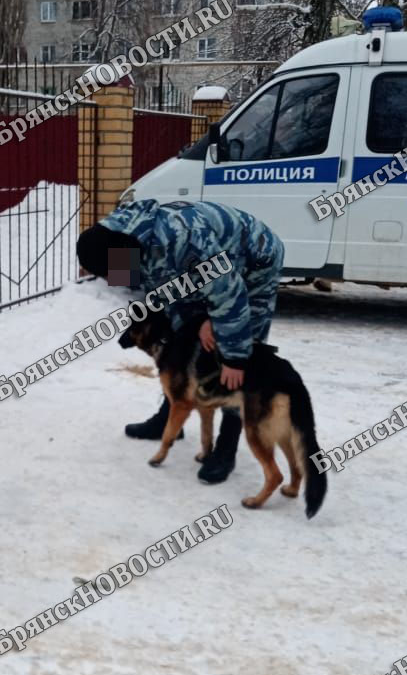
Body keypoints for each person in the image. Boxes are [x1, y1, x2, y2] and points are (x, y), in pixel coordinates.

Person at [76, 199, 285, 483]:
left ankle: (226, 445)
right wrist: (197, 321)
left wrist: (236, 358)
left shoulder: (184, 239)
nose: (114, 281)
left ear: (121, 253)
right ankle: (171, 412)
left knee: (237, 356)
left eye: (112, 272)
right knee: (181, 342)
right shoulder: (126, 242)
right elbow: (163, 291)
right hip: (212, 268)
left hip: (254, 263)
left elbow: (230, 295)